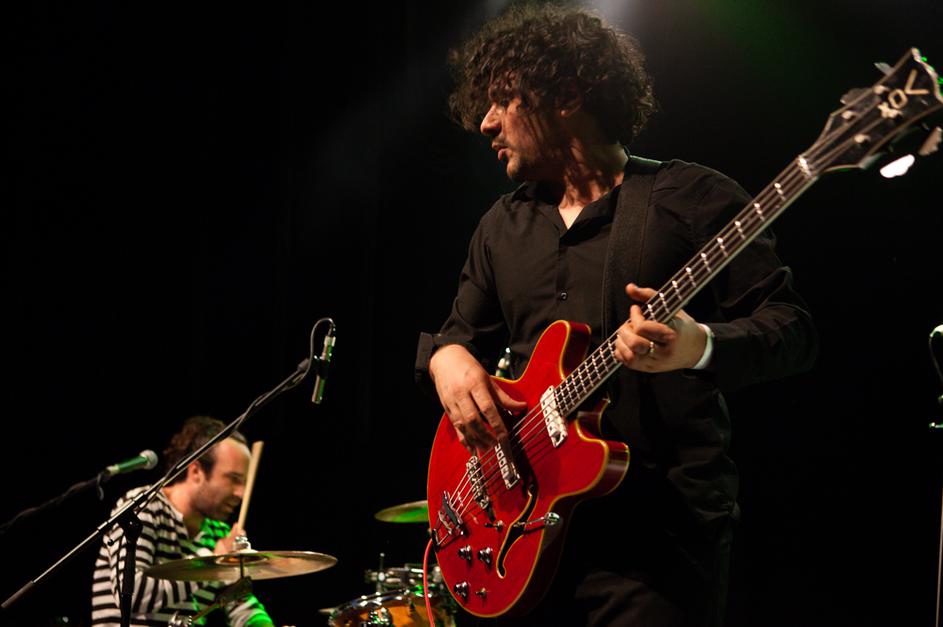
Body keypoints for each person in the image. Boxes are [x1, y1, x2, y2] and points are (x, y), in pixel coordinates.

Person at [415, 4, 818, 626]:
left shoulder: (691, 198)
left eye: (502, 100)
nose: (485, 122)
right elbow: (455, 337)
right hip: (524, 535)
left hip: (658, 541)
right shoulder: (502, 225)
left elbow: (793, 330)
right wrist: (447, 361)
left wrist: (698, 346)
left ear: (568, 94)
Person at [91, 416, 274, 626]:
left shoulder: (218, 532)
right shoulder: (142, 508)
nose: (241, 493)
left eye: (244, 483)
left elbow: (242, 607)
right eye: (233, 479)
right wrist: (211, 563)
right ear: (196, 471)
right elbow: (132, 597)